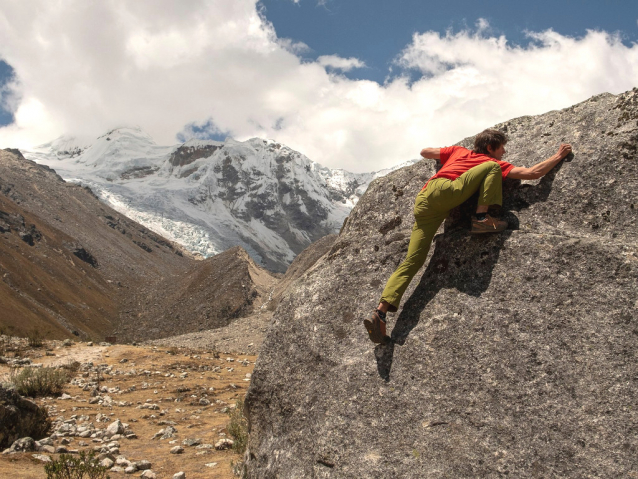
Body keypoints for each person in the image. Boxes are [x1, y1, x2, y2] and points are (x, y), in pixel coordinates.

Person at [364, 129, 572, 344]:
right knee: (491, 167)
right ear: (490, 148)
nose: (505, 151)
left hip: (425, 202)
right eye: (501, 147)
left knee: (413, 260)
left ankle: (380, 313)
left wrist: (447, 156)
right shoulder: (491, 162)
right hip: (446, 192)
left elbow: (425, 152)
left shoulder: (457, 151)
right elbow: (532, 173)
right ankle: (482, 218)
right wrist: (558, 156)